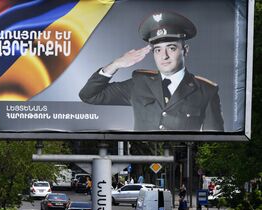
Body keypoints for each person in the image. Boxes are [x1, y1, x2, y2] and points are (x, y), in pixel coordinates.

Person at [79, 11, 224, 132]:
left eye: (171, 48)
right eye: (158, 50)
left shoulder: (206, 91)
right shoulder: (140, 83)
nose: (164, 56)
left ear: (185, 50)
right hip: (141, 160)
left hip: (181, 159)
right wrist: (116, 64)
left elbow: (214, 138)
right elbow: (89, 96)